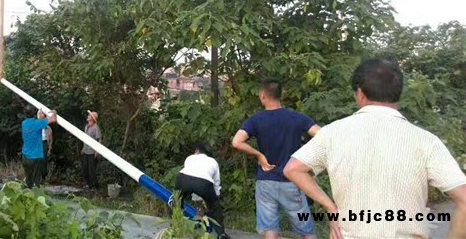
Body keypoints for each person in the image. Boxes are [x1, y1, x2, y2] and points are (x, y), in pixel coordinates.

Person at [285, 59, 466, 239]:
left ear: (360, 93)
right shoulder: (426, 141)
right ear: (398, 92)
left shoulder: (332, 133)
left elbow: (293, 169)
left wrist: (331, 208)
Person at [232, 78, 321, 239]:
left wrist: (259, 155)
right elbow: (322, 136)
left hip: (266, 180)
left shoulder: (256, 120)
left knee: (270, 229)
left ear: (263, 95)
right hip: (293, 180)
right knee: (307, 230)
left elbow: (237, 142)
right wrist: (308, 160)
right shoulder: (297, 118)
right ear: (281, 95)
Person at [175, 142, 230, 239]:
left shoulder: (190, 158)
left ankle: (175, 228)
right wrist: (214, 200)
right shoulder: (213, 162)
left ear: (197, 151)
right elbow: (216, 183)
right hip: (203, 183)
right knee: (215, 208)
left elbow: (191, 176)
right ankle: (221, 234)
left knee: (177, 203)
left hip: (183, 179)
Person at [22, 106, 57, 188]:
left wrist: (40, 115)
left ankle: (27, 195)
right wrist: (54, 112)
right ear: (35, 114)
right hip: (35, 156)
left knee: (28, 180)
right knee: (35, 182)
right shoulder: (37, 123)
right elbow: (53, 120)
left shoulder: (24, 123)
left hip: (25, 155)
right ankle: (35, 196)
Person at [81, 110, 101, 189]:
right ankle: (89, 184)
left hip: (92, 152)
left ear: (92, 118)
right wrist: (83, 148)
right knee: (85, 169)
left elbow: (99, 139)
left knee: (92, 170)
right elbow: (85, 139)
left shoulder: (96, 127)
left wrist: (97, 151)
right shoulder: (86, 127)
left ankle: (94, 186)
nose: (88, 116)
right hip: (86, 151)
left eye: (89, 116)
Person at [38, 110, 53, 180]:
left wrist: (49, 149)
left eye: (43, 114)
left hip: (44, 143)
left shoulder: (48, 128)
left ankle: (43, 177)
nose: (42, 115)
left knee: (43, 161)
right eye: (41, 114)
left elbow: (51, 140)